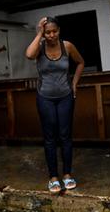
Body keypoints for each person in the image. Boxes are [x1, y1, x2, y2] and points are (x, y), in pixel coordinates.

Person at [25, 16, 85, 193]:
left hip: (65, 96)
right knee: (50, 137)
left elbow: (81, 62)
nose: (51, 35)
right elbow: (29, 55)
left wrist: (74, 83)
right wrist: (38, 34)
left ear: (59, 31)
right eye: (48, 32)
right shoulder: (39, 48)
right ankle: (53, 177)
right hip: (45, 98)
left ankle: (67, 175)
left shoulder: (67, 46)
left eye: (54, 31)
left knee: (65, 136)